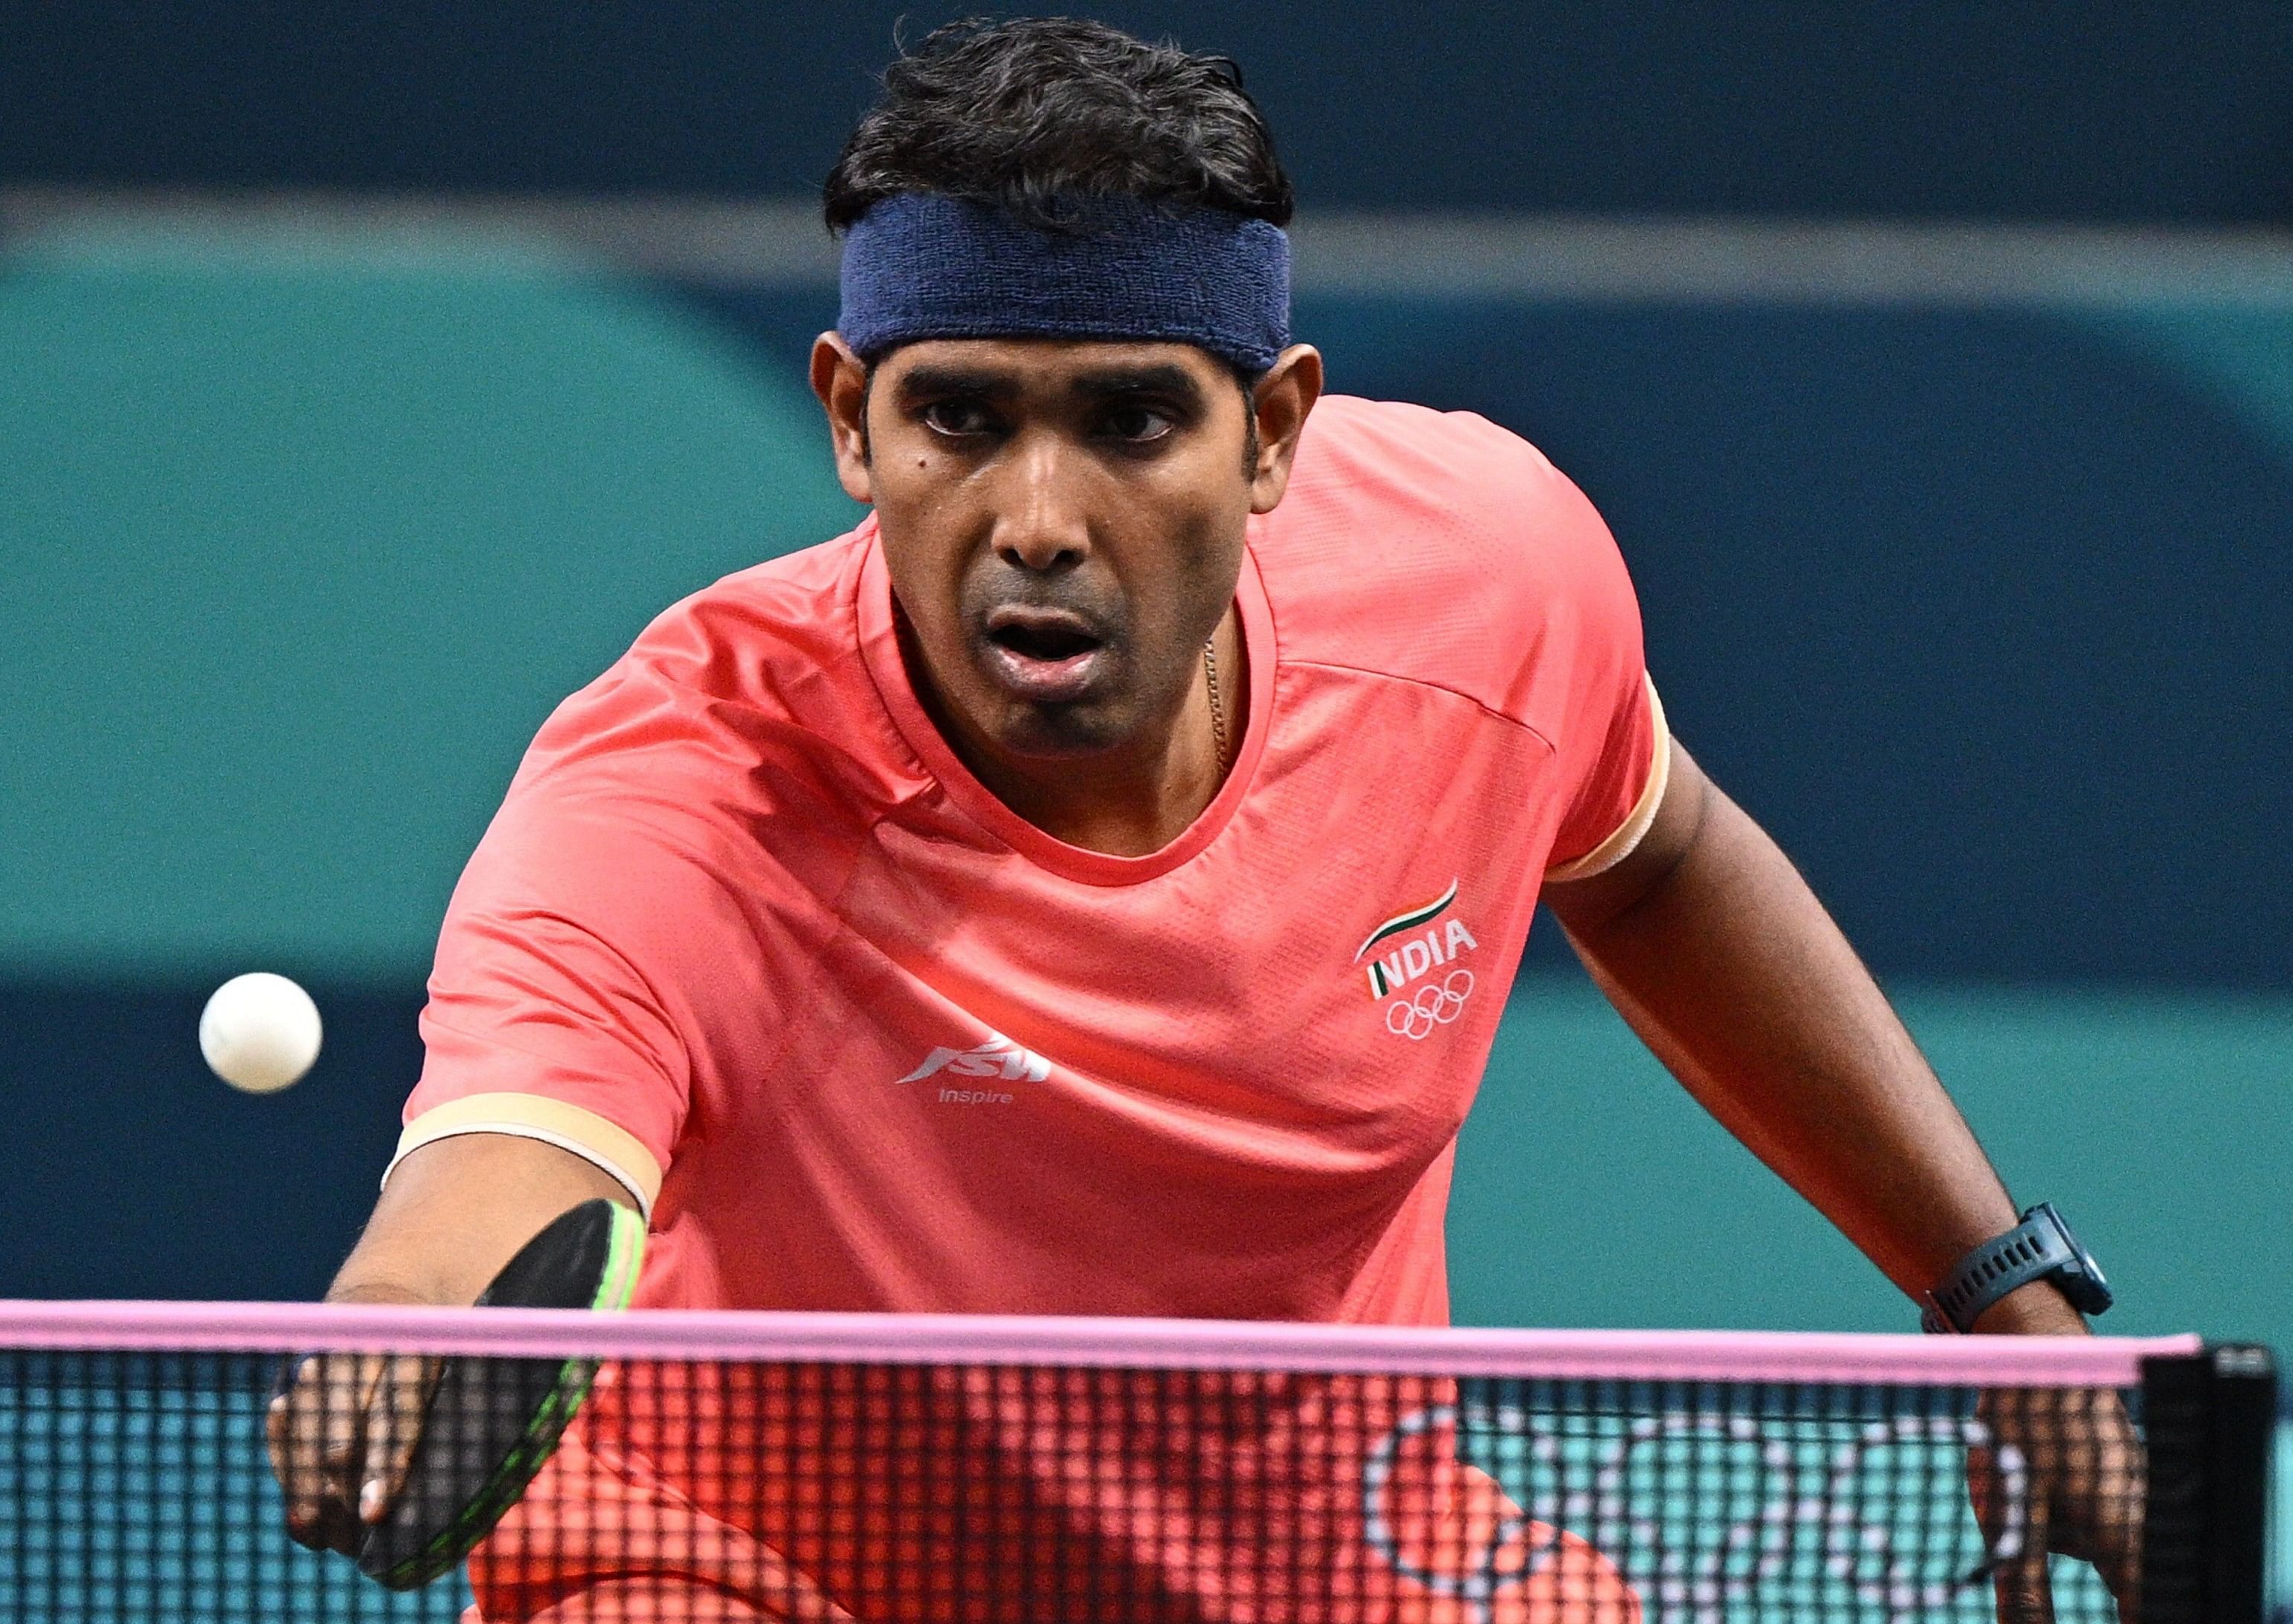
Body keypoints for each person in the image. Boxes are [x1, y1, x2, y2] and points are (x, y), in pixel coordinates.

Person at [270, 17, 2137, 1622]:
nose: (1038, 517)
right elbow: (511, 1155)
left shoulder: (1480, 588)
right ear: (849, 421)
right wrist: (398, 1330)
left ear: (1273, 433)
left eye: (1132, 423)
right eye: (960, 422)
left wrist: (1997, 1298)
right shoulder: (684, 791)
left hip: (1323, 1555)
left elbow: (1654, 858)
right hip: (755, 1563)